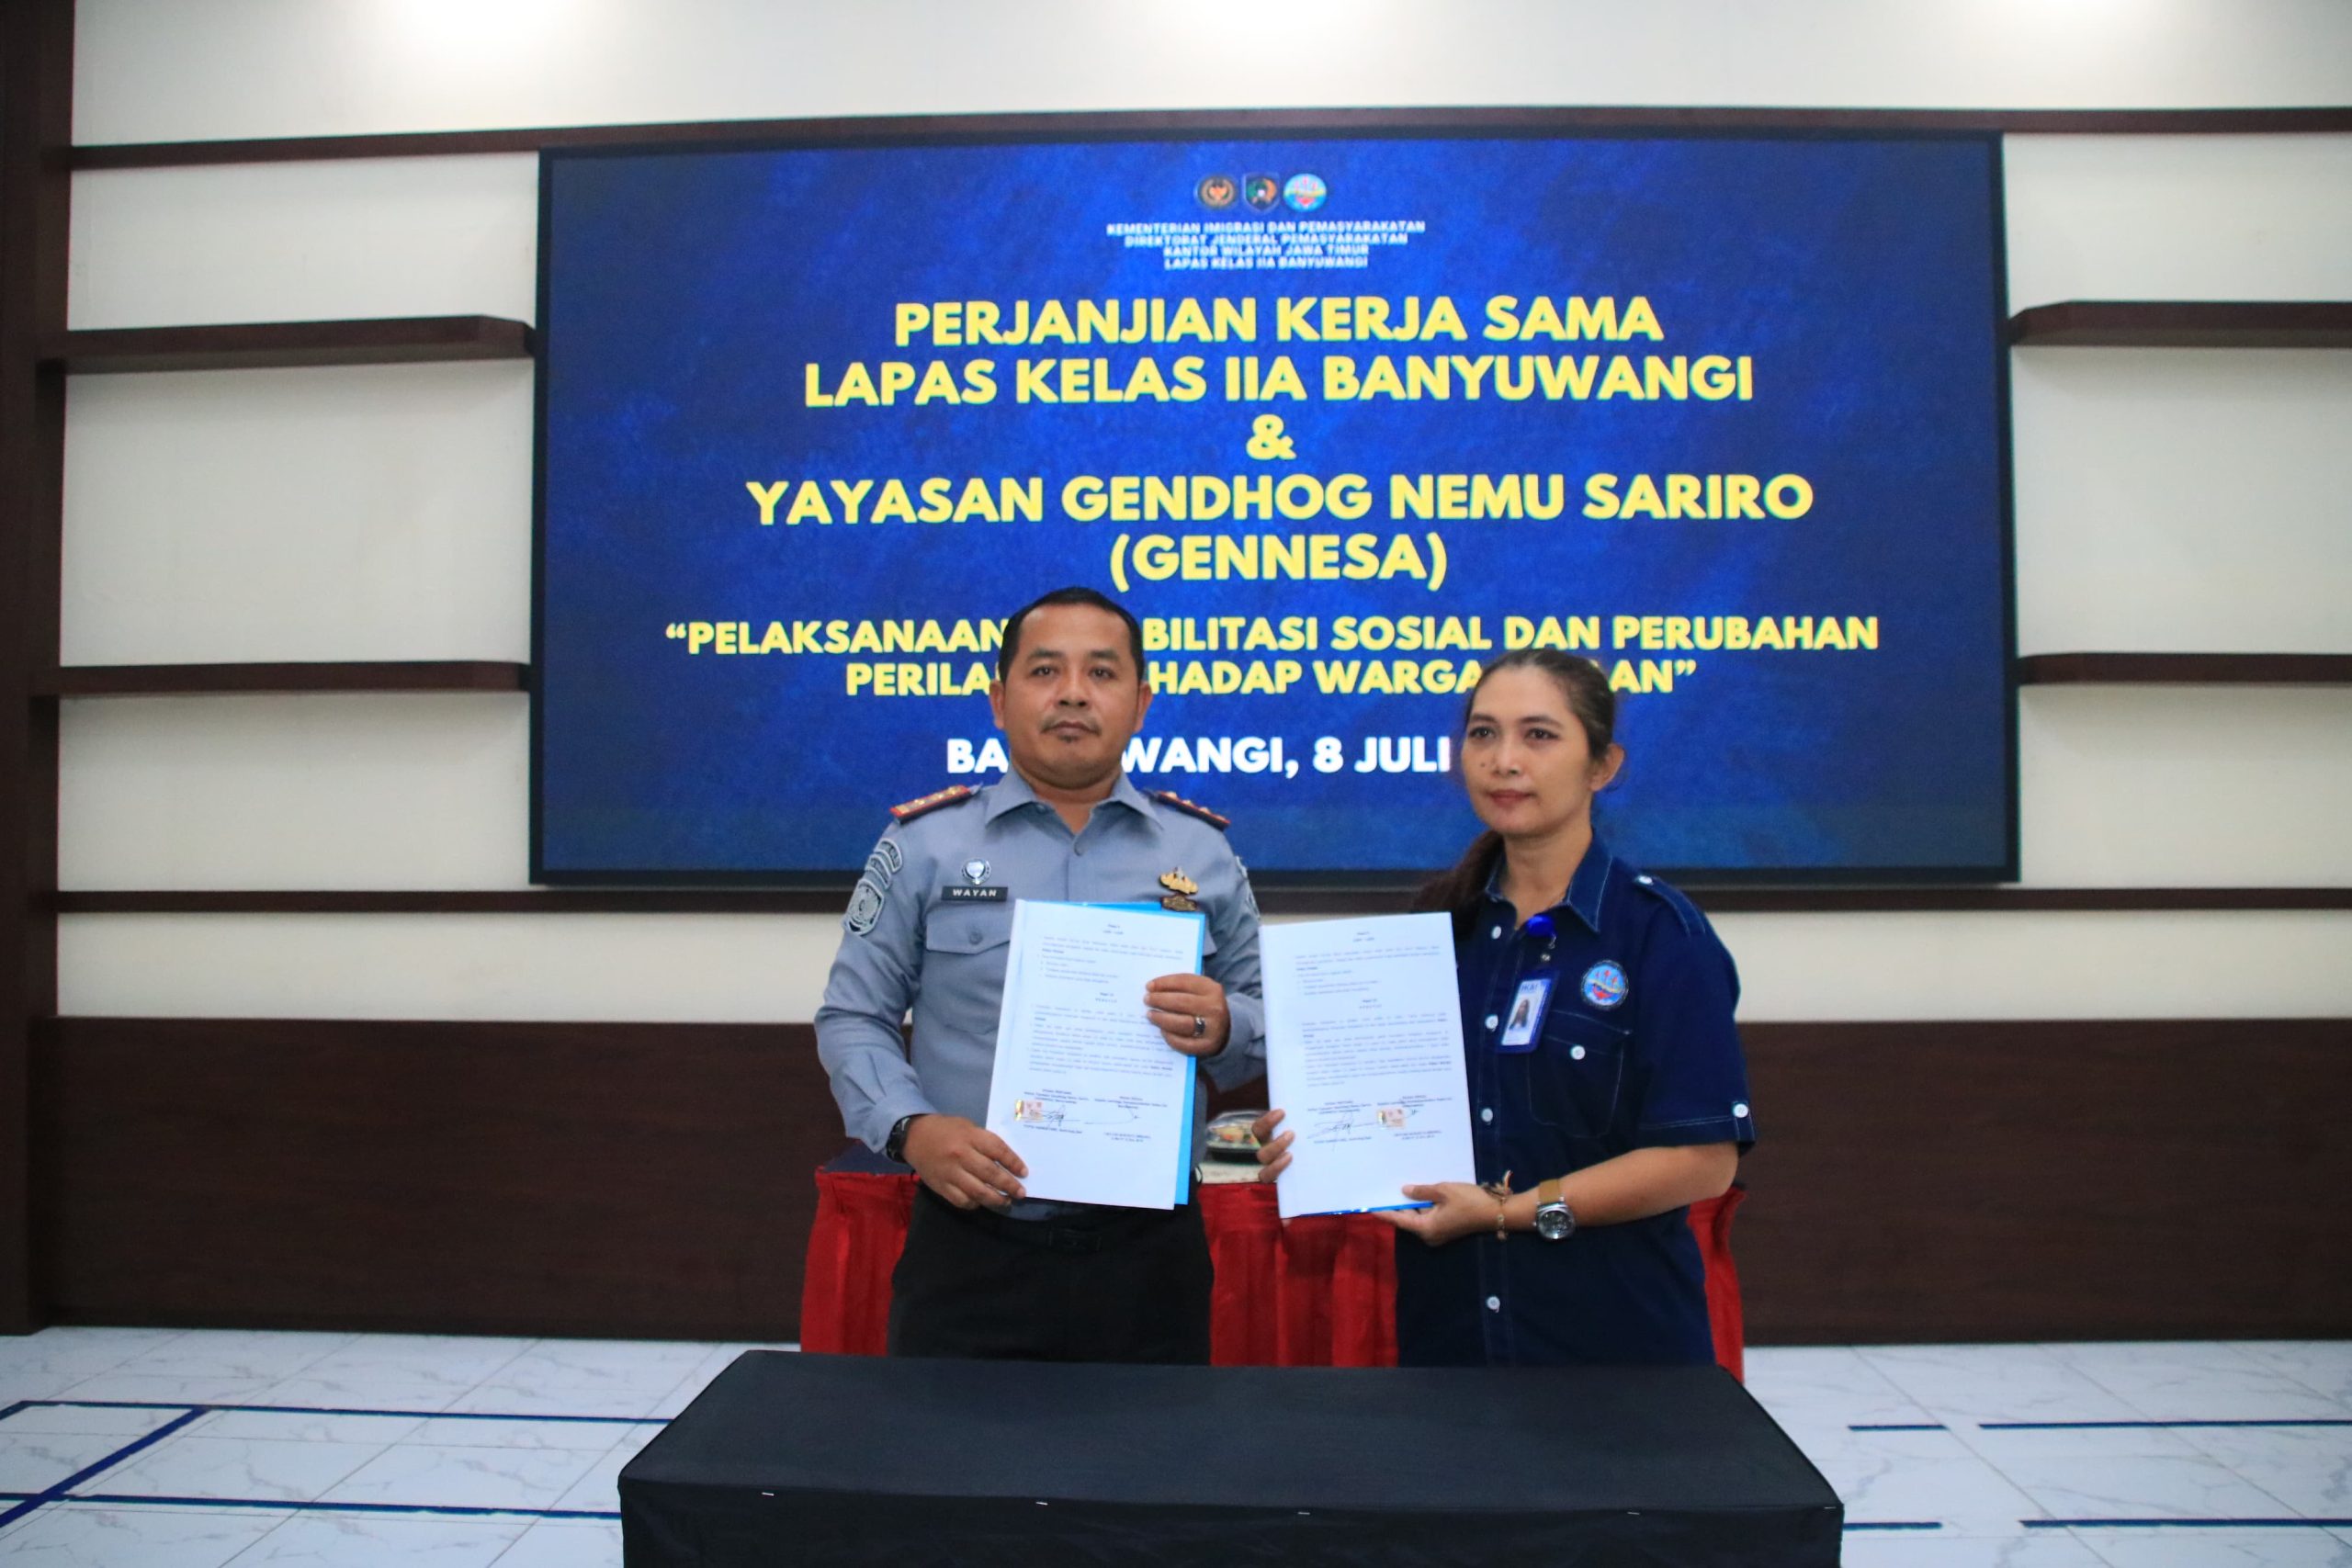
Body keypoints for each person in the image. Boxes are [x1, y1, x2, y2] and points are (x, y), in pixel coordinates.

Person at [1254, 649, 1753, 1366]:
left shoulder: (1660, 936)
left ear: (1603, 765)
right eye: (1483, 733)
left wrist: (1505, 1212)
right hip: (1450, 1341)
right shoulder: (1436, 930)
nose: (1503, 760)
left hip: (1615, 1349)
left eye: (1538, 735)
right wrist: (1316, 1142)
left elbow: (1700, 1161)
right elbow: (1391, 1120)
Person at [815, 585, 1265, 1363]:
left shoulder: (1202, 851)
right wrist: (912, 1128)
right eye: (1045, 670)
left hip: (1151, 1255)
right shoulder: (925, 845)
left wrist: (1228, 1024)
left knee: (1150, 1444)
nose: (1073, 694)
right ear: (999, 700)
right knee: (955, 1444)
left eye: (1102, 672)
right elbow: (853, 1015)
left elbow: (1264, 1012)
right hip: (971, 1246)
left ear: (1141, 703)